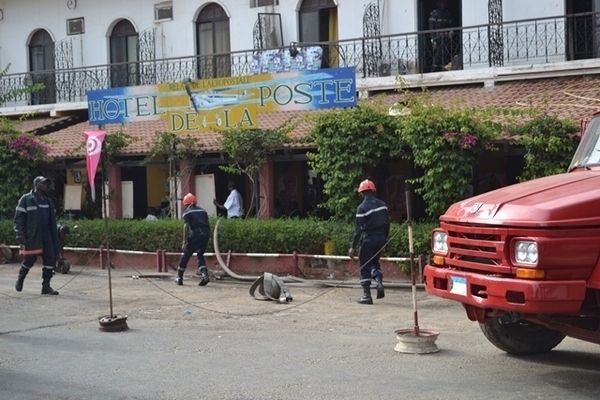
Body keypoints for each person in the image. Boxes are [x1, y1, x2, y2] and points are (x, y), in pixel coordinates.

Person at [14, 176, 60, 295]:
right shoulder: (26, 199)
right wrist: (20, 234)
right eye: (43, 183)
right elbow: (19, 219)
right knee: (30, 259)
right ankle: (21, 277)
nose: (45, 185)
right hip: (33, 235)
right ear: (36, 184)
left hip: (47, 235)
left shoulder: (48, 201)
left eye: (46, 183)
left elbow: (52, 221)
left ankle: (46, 286)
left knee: (50, 259)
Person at [348, 179, 390, 305]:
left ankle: (367, 295)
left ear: (361, 193)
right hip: (381, 237)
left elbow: (358, 230)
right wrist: (385, 239)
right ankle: (379, 281)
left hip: (369, 238)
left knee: (364, 264)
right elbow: (387, 224)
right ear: (373, 190)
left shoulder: (362, 208)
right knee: (374, 262)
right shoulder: (382, 204)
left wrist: (352, 247)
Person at [176, 193, 210, 286]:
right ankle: (205, 275)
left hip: (196, 233)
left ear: (186, 204)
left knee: (186, 254)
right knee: (200, 254)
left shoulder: (187, 212)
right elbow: (208, 224)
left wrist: (185, 242)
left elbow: (186, 227)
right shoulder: (203, 211)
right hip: (206, 234)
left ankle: (179, 278)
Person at [429, 0, 454, 71]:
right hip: (437, 38)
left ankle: (444, 66)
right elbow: (431, 27)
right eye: (441, 2)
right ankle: (435, 67)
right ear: (438, 3)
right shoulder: (434, 14)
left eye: (445, 2)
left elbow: (451, 25)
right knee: (438, 52)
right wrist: (433, 38)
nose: (443, 4)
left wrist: (450, 33)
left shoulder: (447, 14)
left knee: (445, 52)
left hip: (446, 37)